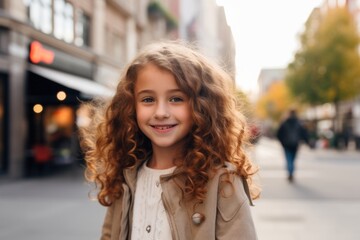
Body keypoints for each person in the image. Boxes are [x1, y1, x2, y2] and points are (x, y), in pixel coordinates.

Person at [80, 41, 259, 240]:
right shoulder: (126, 177)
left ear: (202, 106)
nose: (161, 113)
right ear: (131, 107)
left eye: (176, 99)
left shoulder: (223, 182)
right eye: (148, 99)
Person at [276, 109, 308, 183]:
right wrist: (305, 141)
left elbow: (279, 134)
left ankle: (290, 172)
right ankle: (291, 172)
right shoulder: (298, 122)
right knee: (293, 159)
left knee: (288, 159)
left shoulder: (284, 122)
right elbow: (303, 133)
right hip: (295, 144)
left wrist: (282, 142)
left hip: (286, 144)